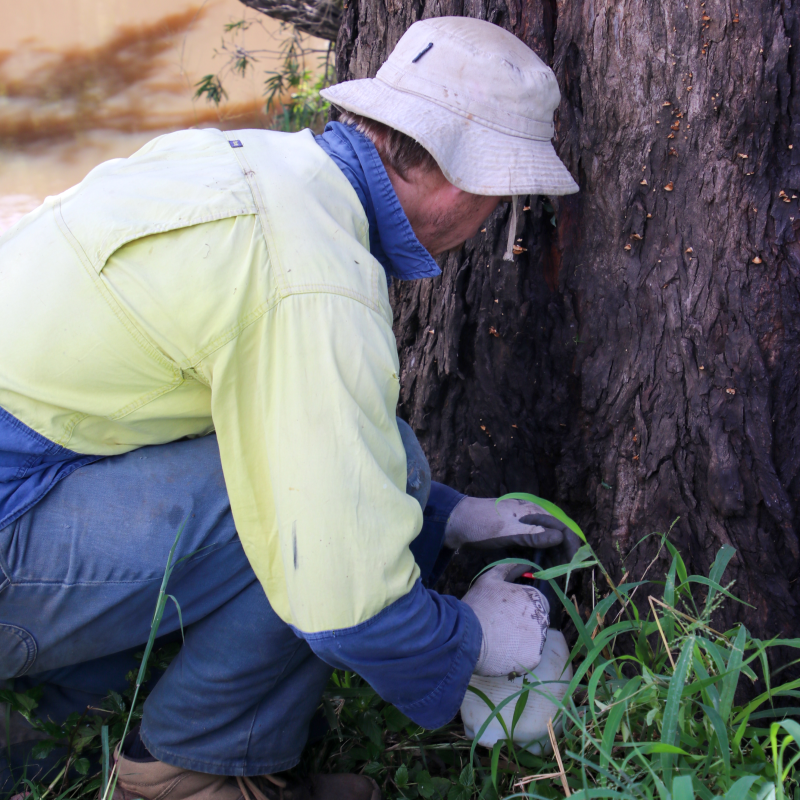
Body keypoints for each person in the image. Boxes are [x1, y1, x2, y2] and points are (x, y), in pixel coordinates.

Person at [0, 15, 579, 800]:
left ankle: (42, 725)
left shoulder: (243, 159)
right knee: (319, 520)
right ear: (461, 182)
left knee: (380, 468)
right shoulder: (314, 277)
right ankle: (183, 776)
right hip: (16, 523)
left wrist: (447, 514)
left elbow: (238, 409)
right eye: (500, 199)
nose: (486, 226)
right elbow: (343, 598)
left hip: (34, 476)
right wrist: (472, 638)